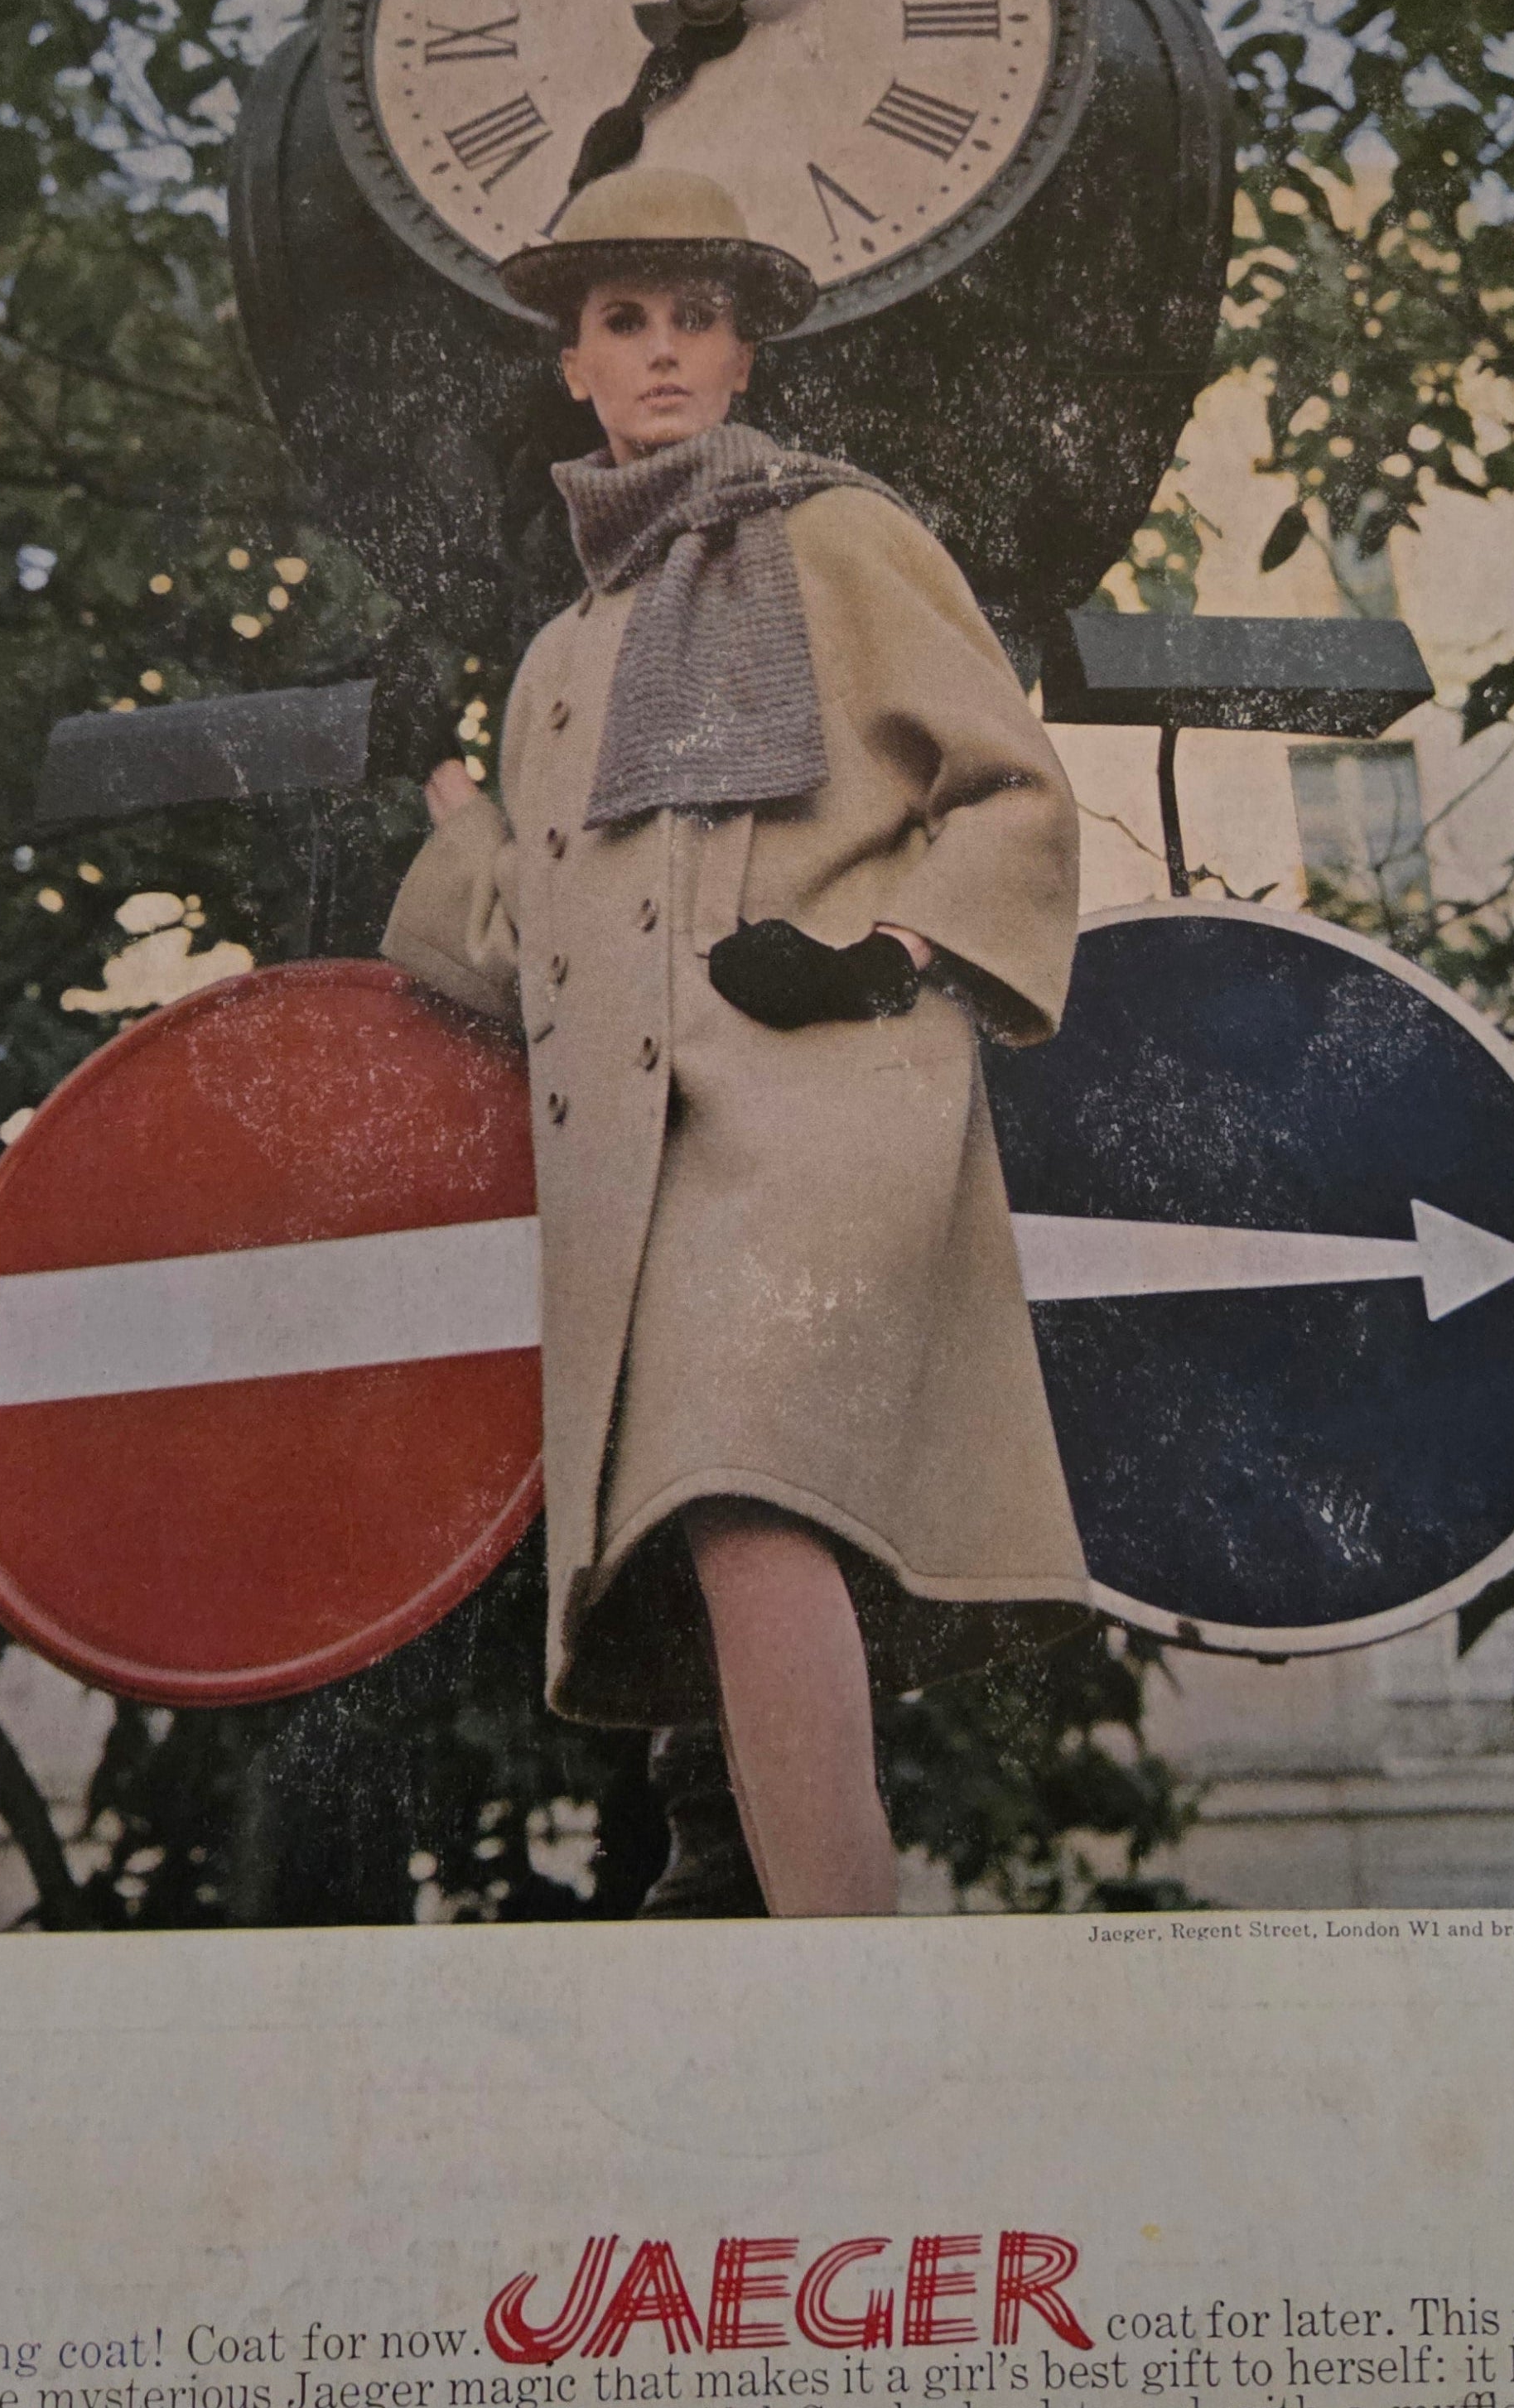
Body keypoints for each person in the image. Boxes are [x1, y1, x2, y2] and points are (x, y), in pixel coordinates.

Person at [382, 168, 1091, 1917]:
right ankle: (782, 1923)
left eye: (694, 314)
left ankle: (848, 1959)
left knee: (743, 1494)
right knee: (715, 1533)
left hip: (823, 1098)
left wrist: (888, 951)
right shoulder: (562, 648)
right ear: (574, 366)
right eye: (623, 321)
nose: (663, 350)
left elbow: (1007, 788)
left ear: (747, 344)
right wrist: (449, 803)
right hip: (640, 1156)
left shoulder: (839, 535)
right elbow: (521, 941)